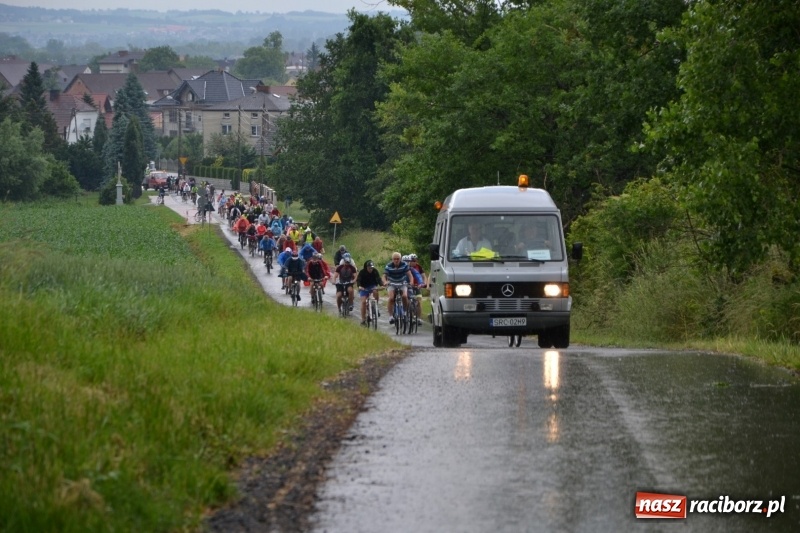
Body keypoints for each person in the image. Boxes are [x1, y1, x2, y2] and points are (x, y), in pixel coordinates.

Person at [383, 252, 414, 323]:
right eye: (394, 259)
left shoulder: (404, 265)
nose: (396, 260)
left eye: (398, 259)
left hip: (402, 283)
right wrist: (385, 282)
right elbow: (384, 276)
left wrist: (411, 282)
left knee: (405, 296)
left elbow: (410, 275)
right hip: (392, 283)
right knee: (391, 298)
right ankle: (391, 316)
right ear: (392, 259)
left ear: (400, 259)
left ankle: (405, 312)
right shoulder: (388, 266)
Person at [357, 260, 383, 326]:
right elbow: (359, 280)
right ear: (366, 267)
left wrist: (382, 285)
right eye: (369, 268)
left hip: (372, 286)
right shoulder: (362, 272)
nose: (370, 269)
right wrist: (359, 286)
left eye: (371, 268)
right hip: (364, 287)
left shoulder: (375, 271)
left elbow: (378, 279)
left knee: (375, 291)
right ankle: (363, 319)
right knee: (363, 302)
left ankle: (376, 306)